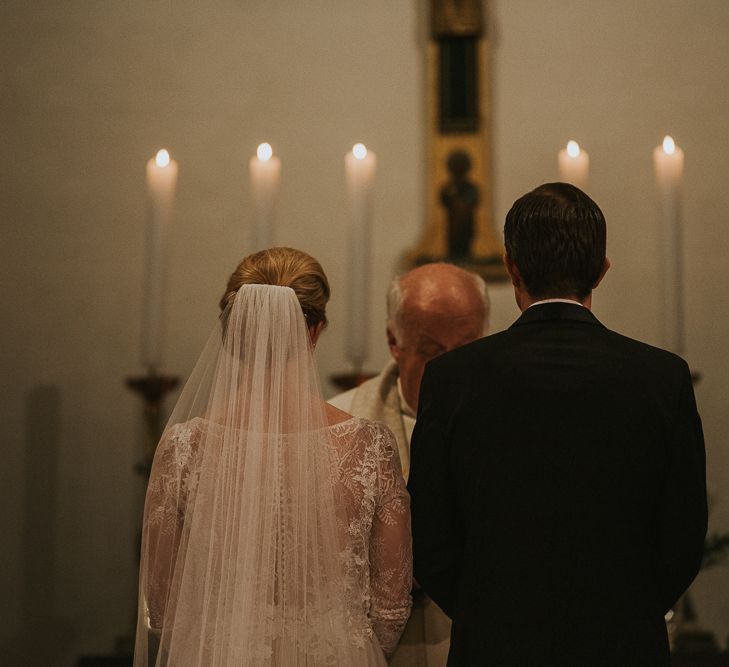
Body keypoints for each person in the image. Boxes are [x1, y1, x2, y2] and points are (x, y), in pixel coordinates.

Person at [408, 183, 707, 666]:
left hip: (494, 646)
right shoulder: (662, 377)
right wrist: (626, 613)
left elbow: (430, 536)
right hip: (623, 647)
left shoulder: (451, 379)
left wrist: (487, 613)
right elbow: (683, 535)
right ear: (602, 270)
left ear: (511, 266)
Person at [134, 247, 412, 666]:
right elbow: (391, 611)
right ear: (315, 330)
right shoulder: (368, 446)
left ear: (231, 330)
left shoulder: (183, 447)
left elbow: (159, 605)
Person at [330, 262, 489, 666]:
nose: (452, 368)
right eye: (432, 352)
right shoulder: (340, 425)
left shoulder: (510, 422)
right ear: (394, 340)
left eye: (468, 349)